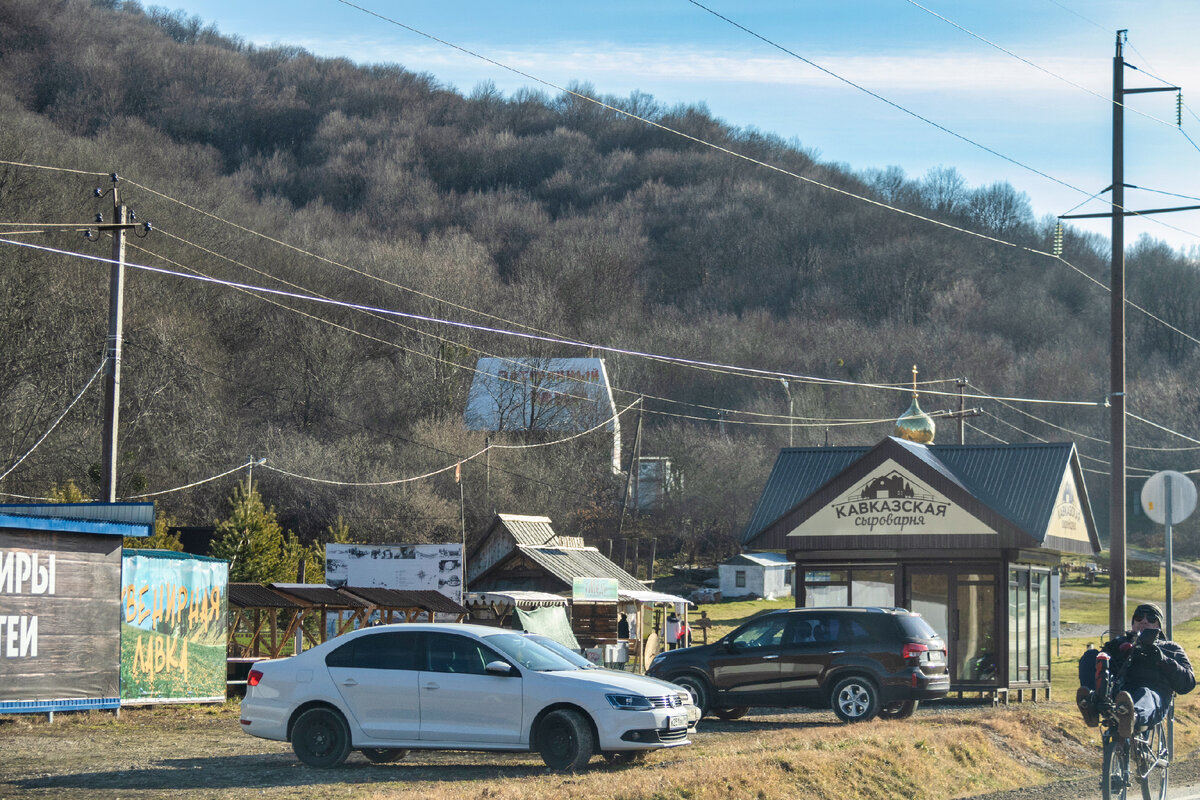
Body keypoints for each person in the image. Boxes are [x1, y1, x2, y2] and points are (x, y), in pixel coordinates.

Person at [1077, 602, 1195, 738]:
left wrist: (1162, 659)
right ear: (1133, 623)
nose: (1144, 621)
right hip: (1119, 695)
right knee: (1091, 655)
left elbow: (1188, 683)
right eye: (1139, 618)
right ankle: (1091, 702)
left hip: (1153, 698)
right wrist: (1116, 652)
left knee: (1145, 693)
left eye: (1151, 618)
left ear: (1158, 626)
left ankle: (1131, 716)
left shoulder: (1171, 648)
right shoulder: (1118, 644)